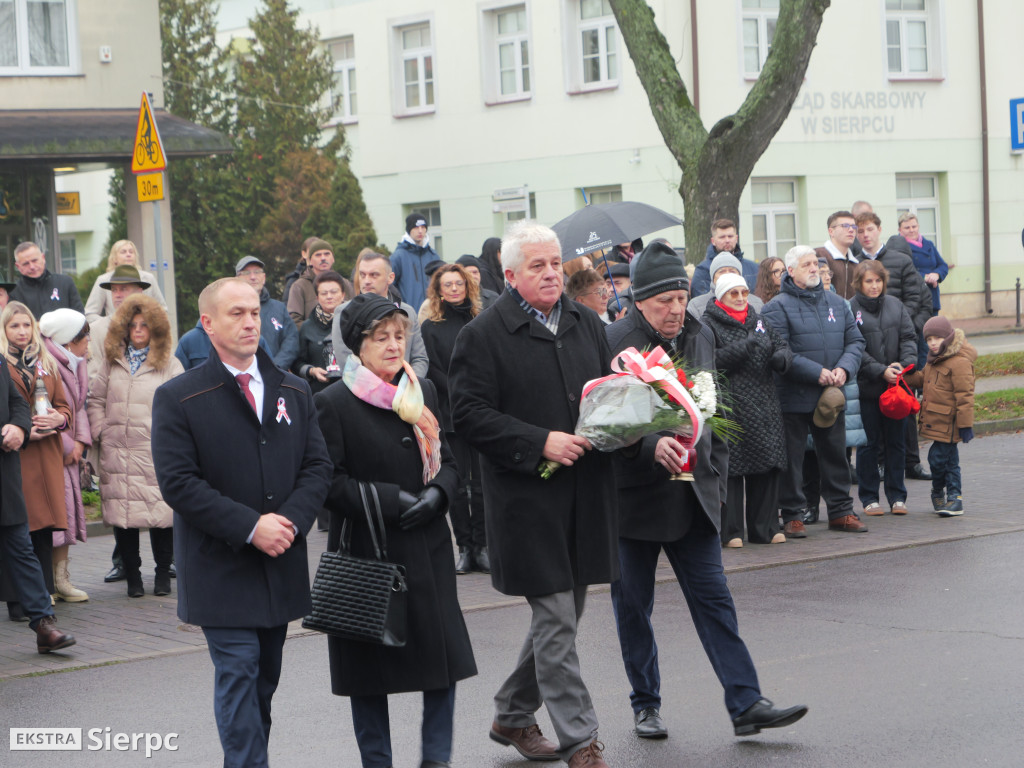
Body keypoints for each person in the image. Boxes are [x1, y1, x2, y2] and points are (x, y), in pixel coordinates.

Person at [605, 242, 806, 742]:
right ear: (639, 301)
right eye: (664, 301)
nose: (676, 309)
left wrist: (716, 476)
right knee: (634, 608)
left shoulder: (699, 333)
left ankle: (746, 702)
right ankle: (645, 704)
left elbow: (712, 410)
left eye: (681, 297)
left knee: (716, 601)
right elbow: (603, 423)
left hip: (693, 495)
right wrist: (648, 445)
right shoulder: (613, 340)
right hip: (632, 501)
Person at [449, 220, 616, 768]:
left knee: (562, 618)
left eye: (555, 263)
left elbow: (605, 392)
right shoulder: (482, 335)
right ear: (510, 274)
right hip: (527, 503)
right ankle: (582, 741)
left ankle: (513, 712)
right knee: (557, 618)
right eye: (537, 266)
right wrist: (539, 441)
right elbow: (468, 416)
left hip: (584, 496)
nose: (550, 274)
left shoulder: (586, 322)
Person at [152, 278, 331, 768]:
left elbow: (317, 466)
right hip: (219, 569)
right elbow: (179, 484)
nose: (251, 322)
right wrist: (252, 527)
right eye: (237, 313)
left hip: (278, 564)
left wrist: (288, 523)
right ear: (207, 324)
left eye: (254, 312)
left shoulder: (294, 389)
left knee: (262, 685)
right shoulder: (179, 396)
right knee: (239, 673)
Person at [316, 292, 477, 768]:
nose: (393, 345)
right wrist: (391, 500)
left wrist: (439, 493)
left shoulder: (419, 391)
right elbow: (329, 483)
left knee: (442, 664)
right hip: (368, 552)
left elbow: (450, 460)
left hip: (428, 549)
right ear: (358, 346)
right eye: (381, 337)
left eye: (399, 335)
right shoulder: (333, 402)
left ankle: (436, 760)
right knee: (368, 675)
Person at [761, 245, 866, 537]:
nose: (813, 269)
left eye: (815, 264)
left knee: (835, 456)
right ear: (790, 270)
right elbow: (779, 351)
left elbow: (856, 341)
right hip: (792, 396)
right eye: (806, 264)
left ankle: (841, 512)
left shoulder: (837, 303)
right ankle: (792, 515)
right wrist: (815, 372)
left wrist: (844, 368)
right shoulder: (776, 307)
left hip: (830, 396)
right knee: (792, 460)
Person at [88, 295, 184, 598]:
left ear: (155, 327)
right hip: (118, 452)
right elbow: (95, 399)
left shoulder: (170, 363)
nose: (139, 329)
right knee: (123, 516)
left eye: (145, 324)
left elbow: (182, 406)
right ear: (124, 328)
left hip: (155, 453)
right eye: (133, 325)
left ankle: (162, 573)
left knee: (161, 515)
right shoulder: (112, 362)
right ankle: (133, 576)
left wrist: (169, 439)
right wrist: (101, 430)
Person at [701, 273, 791, 546]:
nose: (741, 298)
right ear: (721, 296)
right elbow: (709, 360)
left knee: (767, 465)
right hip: (731, 404)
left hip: (764, 404)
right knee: (732, 469)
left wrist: (782, 357)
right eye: (734, 293)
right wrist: (744, 347)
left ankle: (765, 528)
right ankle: (731, 532)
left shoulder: (759, 320)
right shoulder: (707, 324)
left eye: (743, 292)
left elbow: (782, 345)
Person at [0, 346, 76, 652]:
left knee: (22, 550)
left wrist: (20, 427)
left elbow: (17, 402)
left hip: (5, 476)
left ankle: (44, 624)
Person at [420, 264, 488, 575]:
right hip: (449, 411)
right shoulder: (430, 326)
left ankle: (483, 546)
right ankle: (464, 547)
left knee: (482, 482)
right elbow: (431, 367)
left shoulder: (481, 319)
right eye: (447, 285)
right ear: (439, 291)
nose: (454, 289)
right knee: (458, 483)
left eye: (459, 283)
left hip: (482, 407)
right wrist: (458, 389)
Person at [848, 261, 917, 516]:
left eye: (878, 280)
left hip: (896, 388)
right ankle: (869, 498)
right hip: (868, 388)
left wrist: (902, 365)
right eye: (869, 281)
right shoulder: (850, 308)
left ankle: (897, 497)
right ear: (859, 283)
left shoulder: (895, 305)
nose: (874, 286)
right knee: (868, 444)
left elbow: (909, 337)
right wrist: (880, 370)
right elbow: (854, 347)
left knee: (896, 442)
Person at [39, 309, 92, 602]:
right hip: (49, 453)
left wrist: (81, 442)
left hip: (69, 454)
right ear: (70, 340)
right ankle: (44, 584)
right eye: (85, 338)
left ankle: (61, 580)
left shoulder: (75, 363)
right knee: (50, 517)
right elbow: (43, 410)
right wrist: (69, 446)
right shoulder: (45, 364)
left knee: (66, 516)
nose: (88, 344)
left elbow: (79, 406)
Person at [906, 317, 976, 516]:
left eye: (937, 338)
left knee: (937, 458)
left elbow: (965, 396)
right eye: (929, 339)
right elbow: (923, 378)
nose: (933, 343)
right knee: (949, 461)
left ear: (948, 337)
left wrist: (965, 425)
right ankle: (952, 498)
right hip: (937, 421)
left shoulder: (959, 362)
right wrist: (904, 376)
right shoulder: (934, 360)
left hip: (950, 423)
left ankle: (945, 494)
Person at [332, 250, 429, 378]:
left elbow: (419, 358)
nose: (366, 281)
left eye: (374, 275)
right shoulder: (344, 312)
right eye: (362, 275)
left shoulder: (407, 312)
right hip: (362, 386)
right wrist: (380, 387)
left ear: (390, 278)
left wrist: (407, 385)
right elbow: (346, 361)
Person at [235, 256, 299, 371]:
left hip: (276, 374)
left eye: (257, 272)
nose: (253, 277)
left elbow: (291, 341)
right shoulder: (230, 310)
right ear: (237, 279)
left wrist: (275, 368)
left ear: (264, 278)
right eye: (247, 273)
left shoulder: (279, 308)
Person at [89, 265, 152, 381]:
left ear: (139, 292)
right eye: (114, 290)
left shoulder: (153, 326)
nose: (117, 295)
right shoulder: (97, 330)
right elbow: (93, 377)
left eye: (123, 289)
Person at [82, 240, 166, 322]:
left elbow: (162, 309)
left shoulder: (148, 278)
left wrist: (147, 323)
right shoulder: (103, 280)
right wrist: (110, 323)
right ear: (114, 258)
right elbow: (89, 313)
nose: (128, 254)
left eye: (131, 252)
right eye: (123, 252)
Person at [294, 271, 346, 395]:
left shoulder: (353, 322)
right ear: (317, 297)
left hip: (349, 390)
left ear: (343, 295)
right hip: (318, 392)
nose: (329, 296)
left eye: (334, 292)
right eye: (324, 293)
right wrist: (312, 371)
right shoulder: (307, 327)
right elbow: (296, 363)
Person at [288, 238, 354, 327]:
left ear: (333, 259)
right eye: (318, 255)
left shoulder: (345, 283)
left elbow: (355, 313)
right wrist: (316, 331)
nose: (323, 258)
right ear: (310, 261)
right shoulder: (299, 286)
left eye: (327, 254)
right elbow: (293, 321)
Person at [10, 241, 84, 318]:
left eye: (34, 261)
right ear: (18, 267)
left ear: (43, 258)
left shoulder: (65, 283)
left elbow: (80, 316)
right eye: (26, 264)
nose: (32, 267)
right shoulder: (13, 292)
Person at [690, 219, 757, 297]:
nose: (727, 240)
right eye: (722, 237)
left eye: (730, 236)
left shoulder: (754, 268)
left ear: (736, 238)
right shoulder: (703, 270)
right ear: (713, 241)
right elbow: (701, 300)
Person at [687, 252, 764, 318]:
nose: (727, 274)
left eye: (732, 271)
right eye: (721, 271)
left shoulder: (756, 303)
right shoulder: (697, 306)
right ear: (713, 277)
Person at [391, 212, 440, 312]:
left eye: (423, 227)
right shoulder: (398, 257)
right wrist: (398, 309)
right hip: (407, 315)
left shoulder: (433, 256)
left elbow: (441, 286)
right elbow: (389, 286)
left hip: (432, 314)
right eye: (416, 227)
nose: (420, 231)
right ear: (409, 230)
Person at [815, 211, 859, 299]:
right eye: (845, 226)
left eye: (854, 227)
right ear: (831, 231)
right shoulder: (818, 255)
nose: (851, 230)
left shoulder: (856, 263)